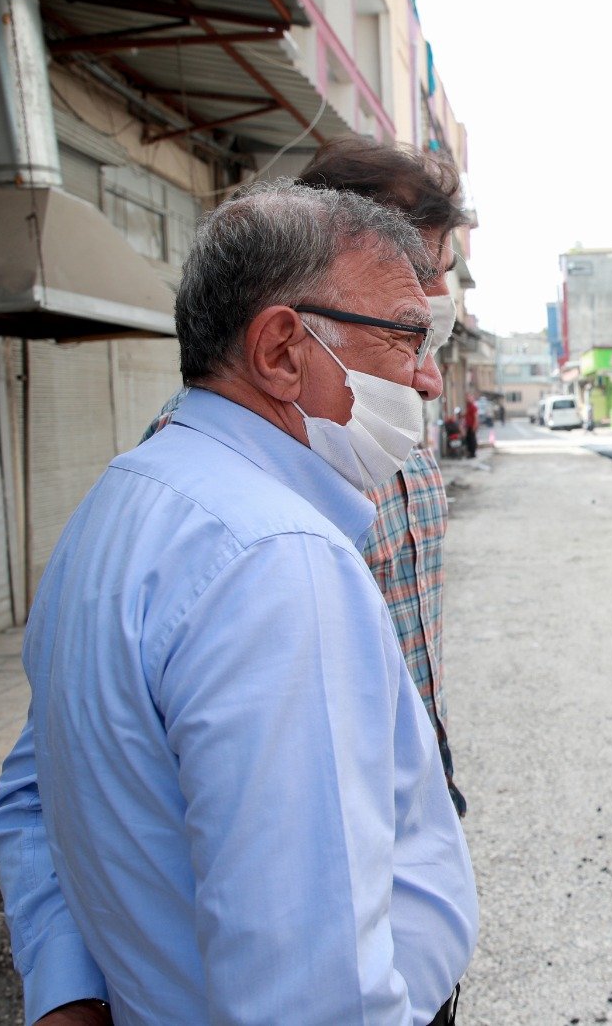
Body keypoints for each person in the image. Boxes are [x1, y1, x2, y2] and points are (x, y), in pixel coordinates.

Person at [0, 181, 478, 1025]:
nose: (430, 381)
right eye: (408, 338)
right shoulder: (281, 564)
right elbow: (313, 995)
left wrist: (66, 989)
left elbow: (34, 792)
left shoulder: (122, 498)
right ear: (283, 350)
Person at [139, 137, 468, 819]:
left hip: (409, 788)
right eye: (412, 272)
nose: (436, 296)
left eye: (441, 270)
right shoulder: (206, 477)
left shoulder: (388, 413)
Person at [462, 395, 479, 459]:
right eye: (467, 398)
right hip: (468, 426)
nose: (467, 400)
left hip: (472, 426)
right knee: (468, 439)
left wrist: (474, 426)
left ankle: (473, 453)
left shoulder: (473, 407)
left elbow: (476, 417)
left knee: (472, 440)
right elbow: (466, 415)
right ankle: (470, 452)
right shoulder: (468, 407)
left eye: (469, 398)